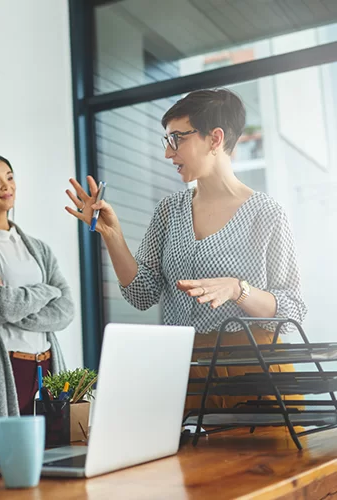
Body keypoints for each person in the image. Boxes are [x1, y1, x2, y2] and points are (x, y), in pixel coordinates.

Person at [65, 88, 307, 411]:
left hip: (255, 374)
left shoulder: (267, 213)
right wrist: (112, 234)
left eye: (177, 139)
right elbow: (141, 293)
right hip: (184, 373)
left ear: (214, 139)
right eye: (166, 141)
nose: (168, 153)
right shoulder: (169, 211)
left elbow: (293, 309)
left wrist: (238, 289)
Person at [0, 154, 76, 427]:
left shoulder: (39, 248)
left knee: (55, 456)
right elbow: (0, 306)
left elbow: (66, 311)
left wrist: (13, 300)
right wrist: (47, 291)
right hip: (5, 367)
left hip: (47, 366)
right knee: (2, 459)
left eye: (9, 177)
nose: (7, 186)